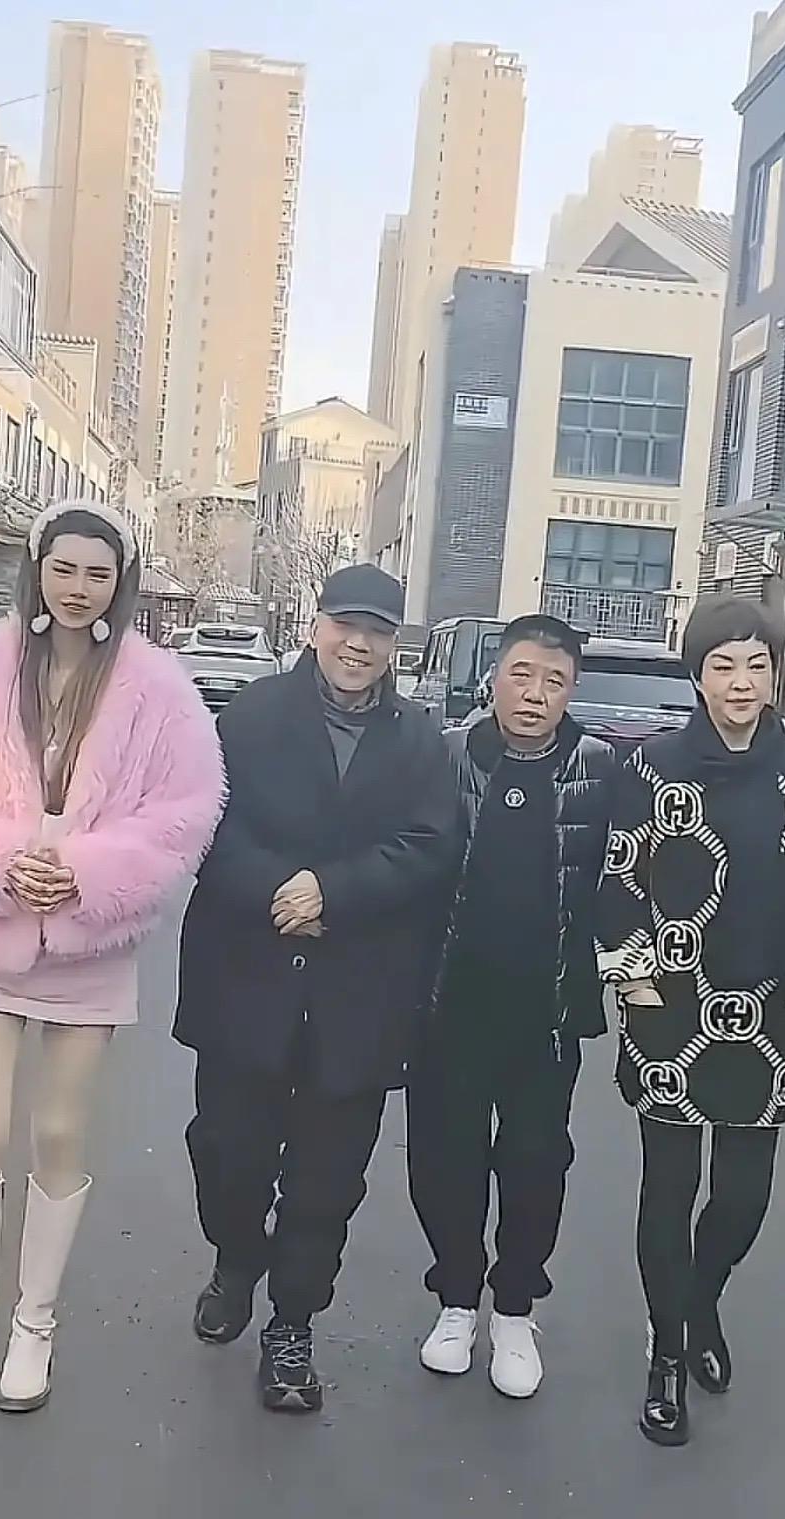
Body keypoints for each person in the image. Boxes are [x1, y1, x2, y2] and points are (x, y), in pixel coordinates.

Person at [0, 501, 223, 1423]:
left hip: (89, 949)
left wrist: (85, 873)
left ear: (122, 582)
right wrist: (1, 862)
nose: (79, 589)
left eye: (98, 574)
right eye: (64, 568)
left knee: (61, 1135)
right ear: (38, 568)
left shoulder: (157, 687)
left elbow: (183, 812)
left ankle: (33, 1324)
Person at [175, 564, 461, 1414]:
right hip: (246, 976)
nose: (358, 644)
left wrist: (333, 892)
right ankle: (236, 1256)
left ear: (395, 645)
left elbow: (430, 846)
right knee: (226, 1150)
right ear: (315, 626)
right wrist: (281, 889)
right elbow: (207, 823)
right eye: (345, 624)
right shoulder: (251, 716)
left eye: (377, 631)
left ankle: (292, 1323)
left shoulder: (420, 742)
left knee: (327, 1179)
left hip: (359, 991)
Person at [596, 596, 785, 1448]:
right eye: (723, 665)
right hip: (671, 1008)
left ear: (777, 674)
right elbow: (620, 877)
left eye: (756, 665)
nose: (741, 682)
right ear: (698, 675)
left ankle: (699, 1302)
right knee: (667, 1193)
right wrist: (632, 979)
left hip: (773, 1013)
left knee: (743, 1196)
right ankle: (666, 1354)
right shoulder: (652, 767)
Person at [409, 614, 616, 1399]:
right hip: (451, 1003)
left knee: (535, 1162)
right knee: (445, 1159)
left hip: (546, 1012)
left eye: (554, 681)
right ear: (493, 678)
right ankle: (457, 1299)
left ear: (572, 691)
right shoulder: (448, 754)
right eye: (521, 675)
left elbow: (627, 879)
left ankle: (516, 1309)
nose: (534, 694)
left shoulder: (600, 767)